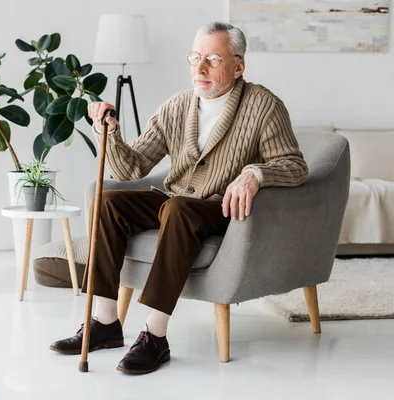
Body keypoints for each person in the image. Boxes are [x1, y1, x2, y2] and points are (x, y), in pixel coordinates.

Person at [49, 21, 309, 374]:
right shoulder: (177, 106)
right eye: (195, 57)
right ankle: (105, 323)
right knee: (107, 201)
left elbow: (294, 165)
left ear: (239, 65)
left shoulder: (264, 106)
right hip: (174, 200)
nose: (200, 68)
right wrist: (107, 131)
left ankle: (155, 336)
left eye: (213, 59)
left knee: (179, 208)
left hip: (220, 208)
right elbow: (132, 168)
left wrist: (255, 174)